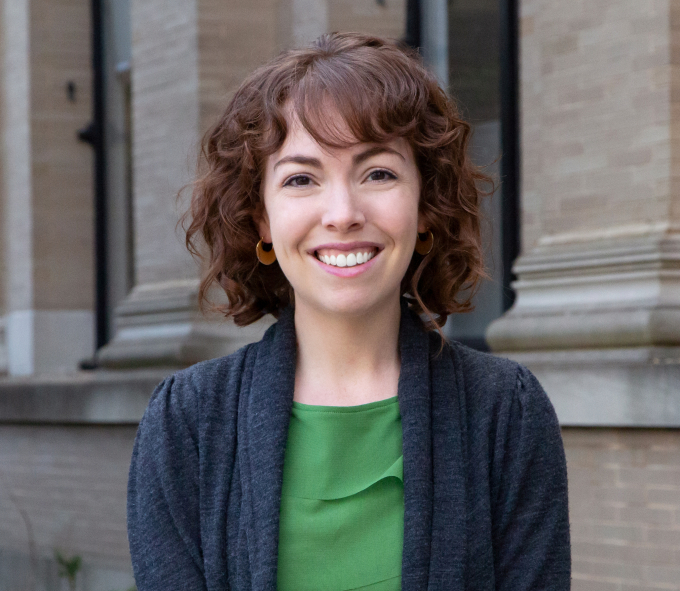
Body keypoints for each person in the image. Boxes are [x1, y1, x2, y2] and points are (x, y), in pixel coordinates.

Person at [127, 32, 571, 591]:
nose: (341, 213)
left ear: (425, 206)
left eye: (378, 173)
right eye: (301, 179)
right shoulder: (187, 422)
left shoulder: (506, 413)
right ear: (260, 219)